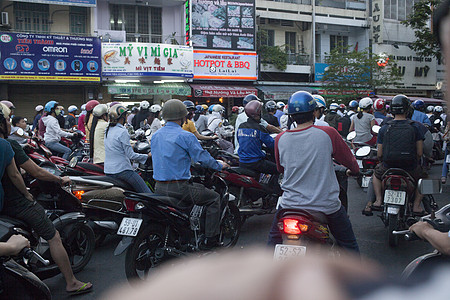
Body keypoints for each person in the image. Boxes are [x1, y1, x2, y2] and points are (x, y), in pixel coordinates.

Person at [0, 104, 93, 295]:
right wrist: (31, 192)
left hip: (3, 206)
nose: (10, 124)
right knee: (53, 236)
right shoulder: (7, 145)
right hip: (15, 203)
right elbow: (25, 174)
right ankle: (72, 282)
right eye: (8, 120)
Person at [268, 91, 359, 253]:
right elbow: (350, 162)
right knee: (348, 244)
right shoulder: (328, 133)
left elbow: (281, 168)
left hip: (289, 205)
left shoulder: (280, 139)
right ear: (314, 112)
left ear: (291, 116)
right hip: (325, 205)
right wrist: (355, 171)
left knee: (271, 246)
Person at [151, 99, 229, 249]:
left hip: (158, 187)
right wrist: (219, 165)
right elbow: (202, 157)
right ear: (182, 117)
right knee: (214, 198)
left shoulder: (156, 135)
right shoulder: (185, 136)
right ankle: (211, 240)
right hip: (180, 189)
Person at [362, 95, 425, 216]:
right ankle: (417, 205)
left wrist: (383, 161)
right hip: (410, 167)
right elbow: (420, 153)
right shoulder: (415, 127)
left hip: (388, 166)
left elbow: (379, 154)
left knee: (375, 175)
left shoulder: (384, 128)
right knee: (424, 178)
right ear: (408, 109)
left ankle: (378, 200)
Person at [104, 104, 151, 193]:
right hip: (122, 171)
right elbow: (131, 155)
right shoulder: (122, 131)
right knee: (146, 193)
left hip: (108, 171)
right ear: (122, 117)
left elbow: (115, 146)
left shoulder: (108, 130)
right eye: (126, 115)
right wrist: (147, 156)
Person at [237, 100, 278, 175]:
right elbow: (272, 145)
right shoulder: (260, 128)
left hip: (242, 162)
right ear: (258, 113)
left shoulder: (241, 127)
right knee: (278, 170)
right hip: (256, 163)